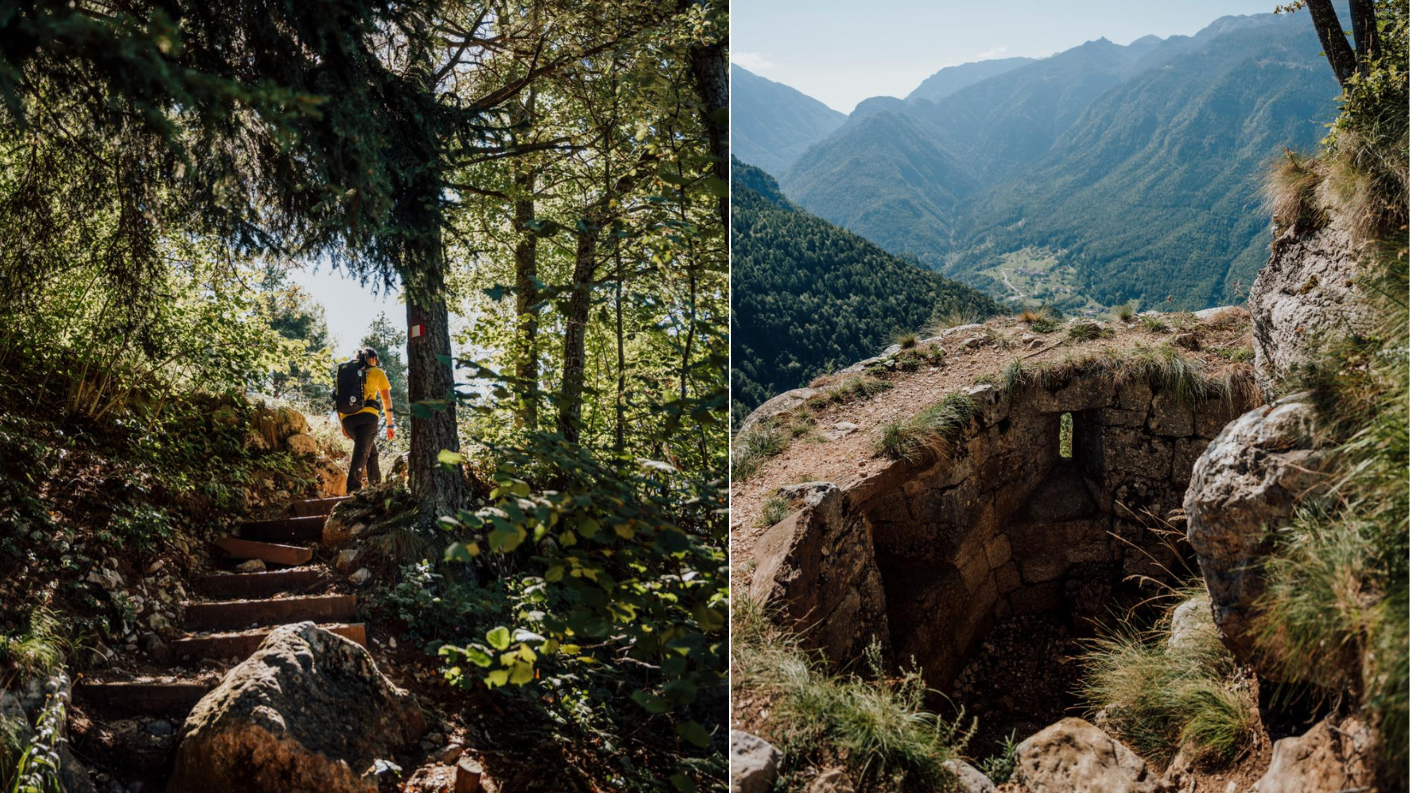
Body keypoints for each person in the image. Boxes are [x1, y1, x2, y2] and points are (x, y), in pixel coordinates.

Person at [341, 347, 397, 492]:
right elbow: (386, 399)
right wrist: (390, 425)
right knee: (362, 452)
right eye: (375, 360)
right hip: (367, 418)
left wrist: (343, 425)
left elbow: (339, 399)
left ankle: (376, 487)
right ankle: (352, 489)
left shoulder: (348, 373)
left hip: (348, 420)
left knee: (371, 452)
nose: (376, 362)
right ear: (372, 358)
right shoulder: (377, 372)